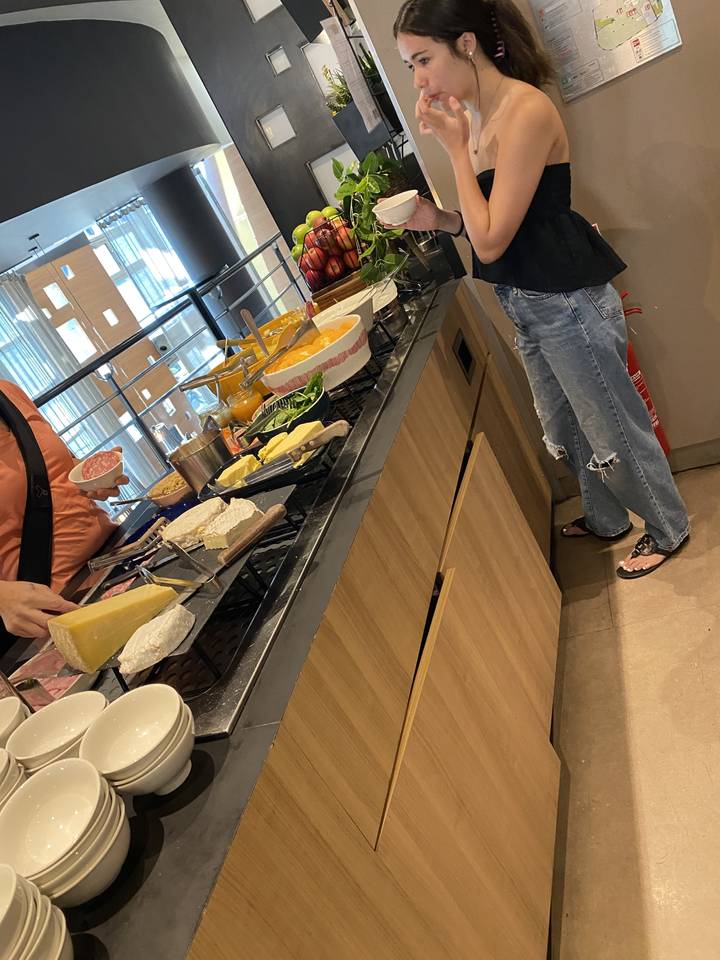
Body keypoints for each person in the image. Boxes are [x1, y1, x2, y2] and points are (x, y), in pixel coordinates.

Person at [388, 0, 689, 579]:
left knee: (611, 422)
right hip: (528, 301)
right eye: (410, 66)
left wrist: (453, 152)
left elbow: (495, 240)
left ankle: (668, 526)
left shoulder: (525, 110)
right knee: (568, 425)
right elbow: (486, 226)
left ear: (467, 44)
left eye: (423, 59)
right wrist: (440, 219)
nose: (420, 80)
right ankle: (606, 519)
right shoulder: (478, 116)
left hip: (566, 302)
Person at [0, 379, 128, 654]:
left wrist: (93, 478)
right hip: (60, 609)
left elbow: (54, 473)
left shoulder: (7, 391)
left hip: (116, 556)